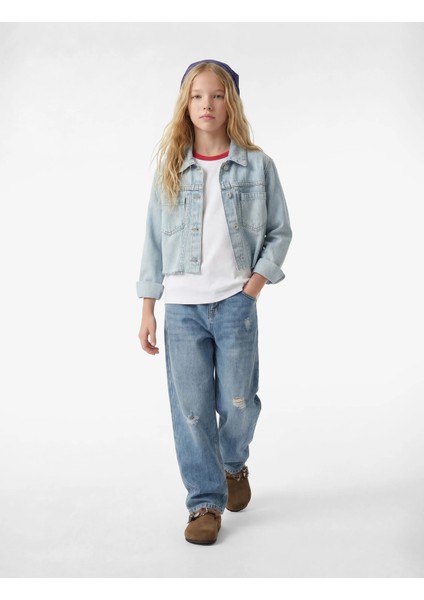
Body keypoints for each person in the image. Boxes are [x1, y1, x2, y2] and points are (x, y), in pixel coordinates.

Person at [136, 59, 292, 545]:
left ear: (232, 103)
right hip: (182, 310)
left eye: (218, 95)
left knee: (239, 403)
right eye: (198, 95)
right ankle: (204, 502)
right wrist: (148, 307)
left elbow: (280, 232)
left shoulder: (258, 166)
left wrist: (254, 287)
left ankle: (232, 464)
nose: (207, 104)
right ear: (186, 104)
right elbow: (153, 241)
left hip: (235, 305)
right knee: (192, 411)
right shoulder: (171, 169)